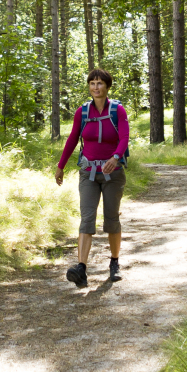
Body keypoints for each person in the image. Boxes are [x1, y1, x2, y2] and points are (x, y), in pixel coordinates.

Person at [55, 68, 129, 287]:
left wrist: (116, 158)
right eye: (92, 83)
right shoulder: (83, 112)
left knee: (111, 219)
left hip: (112, 174)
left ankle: (114, 262)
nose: (96, 87)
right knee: (86, 219)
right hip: (88, 172)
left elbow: (124, 137)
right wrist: (61, 166)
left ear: (107, 86)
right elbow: (72, 139)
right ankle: (81, 268)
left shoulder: (118, 110)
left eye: (100, 83)